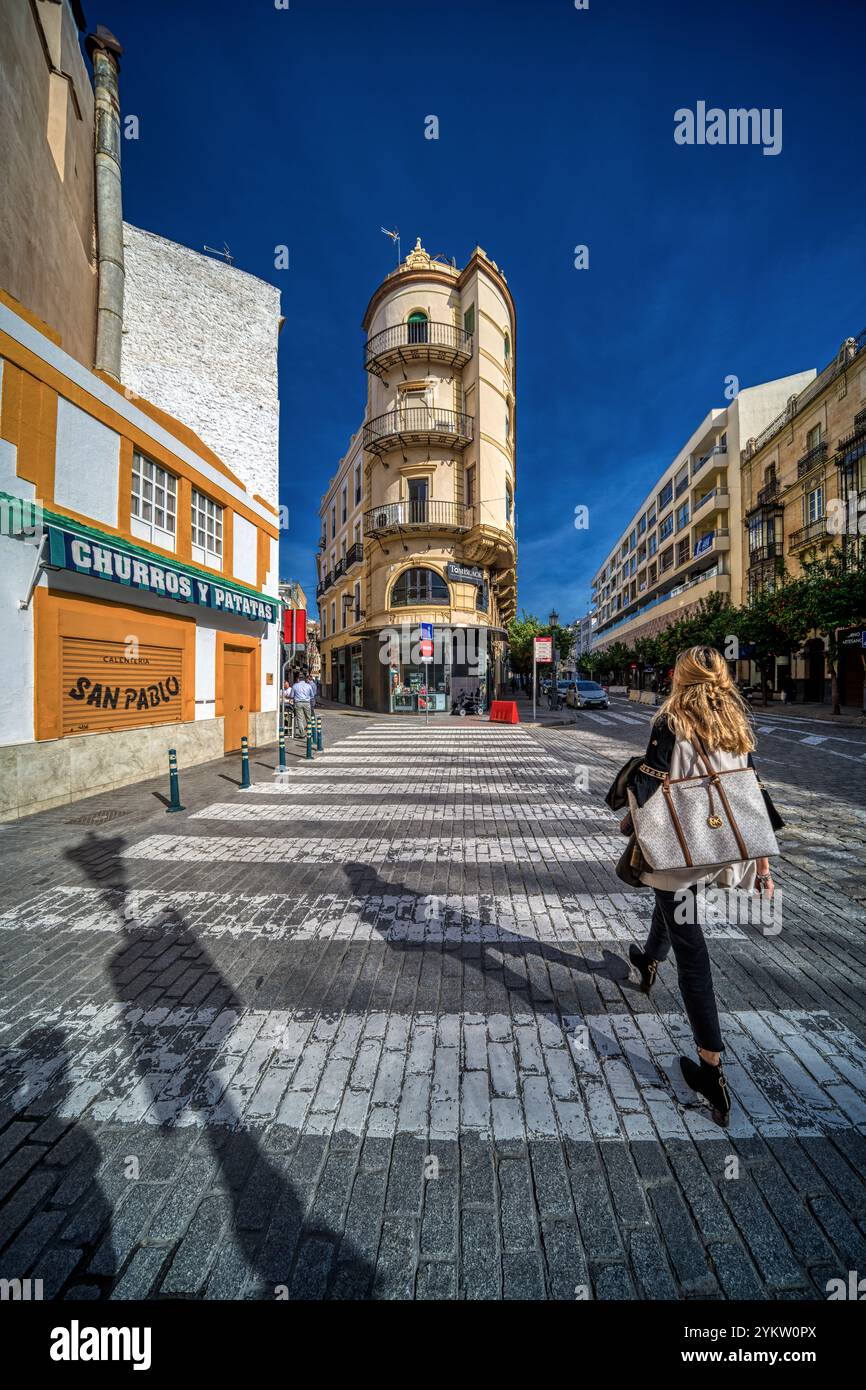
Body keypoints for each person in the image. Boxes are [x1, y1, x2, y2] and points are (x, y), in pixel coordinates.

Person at [609, 646, 783, 1128]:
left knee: (691, 947)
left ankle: (711, 1069)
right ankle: (646, 961)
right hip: (722, 842)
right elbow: (751, 792)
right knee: (672, 907)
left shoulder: (671, 721)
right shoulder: (735, 721)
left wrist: (625, 803)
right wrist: (762, 864)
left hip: (682, 845)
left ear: (679, 677)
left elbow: (648, 784)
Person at [291, 670, 316, 738]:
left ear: (298, 679)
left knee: (300, 719)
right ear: (304, 679)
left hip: (298, 703)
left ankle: (302, 734)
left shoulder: (295, 685)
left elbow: (291, 696)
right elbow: (312, 695)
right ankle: (309, 732)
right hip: (307, 703)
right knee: (308, 718)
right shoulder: (308, 686)